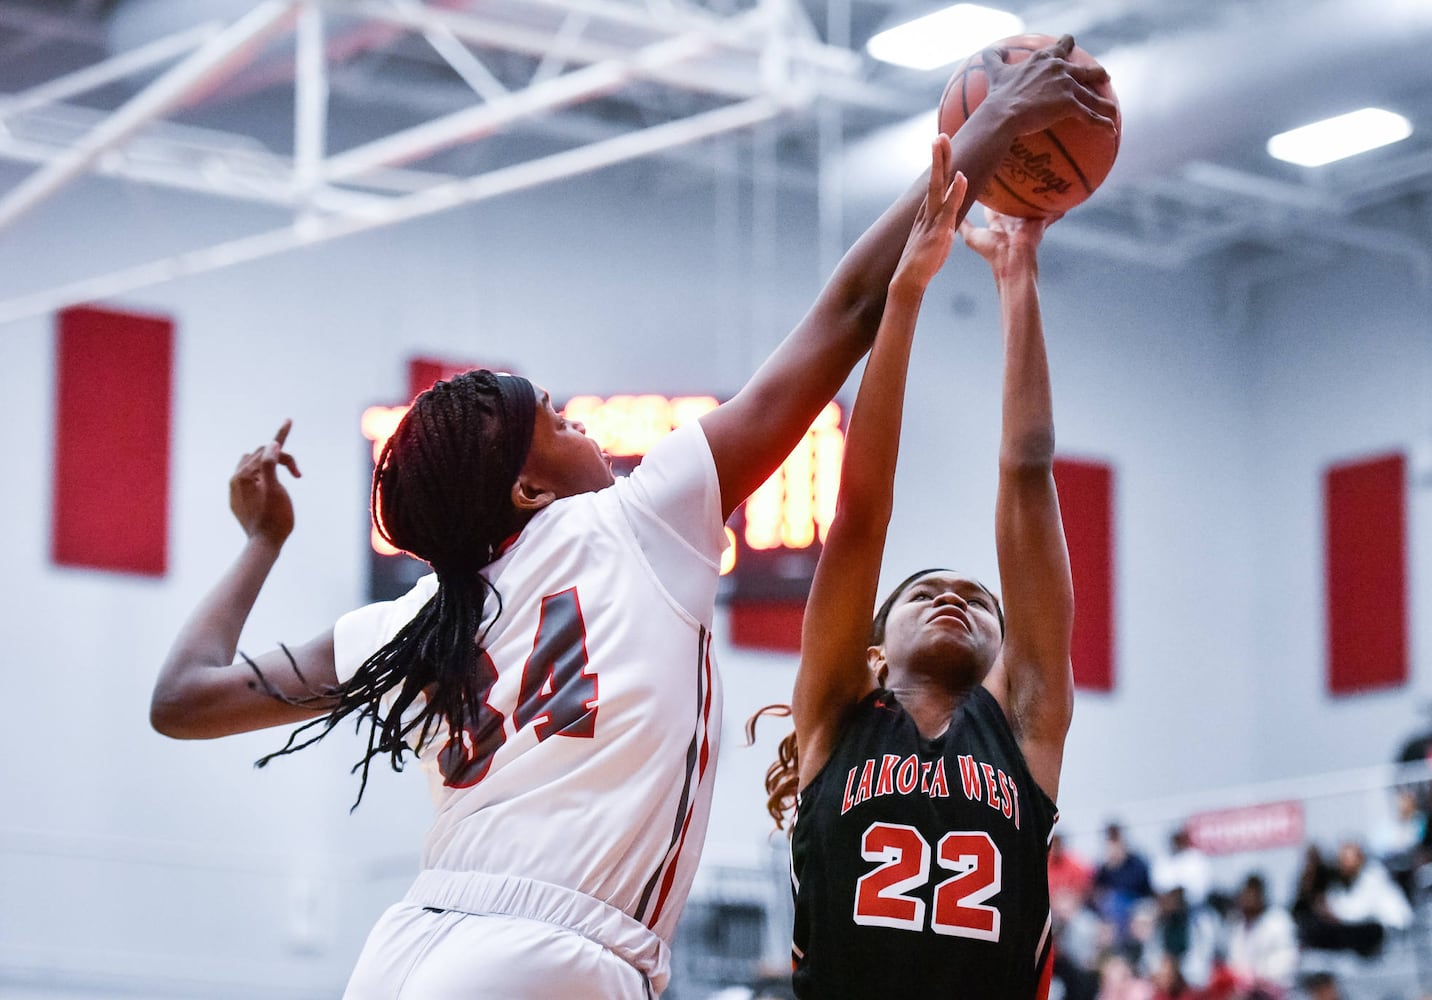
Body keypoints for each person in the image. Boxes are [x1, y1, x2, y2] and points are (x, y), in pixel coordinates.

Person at [149, 38, 1115, 1000]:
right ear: (527, 491)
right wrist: (991, 129)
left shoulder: (415, 622)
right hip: (548, 954)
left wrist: (264, 545)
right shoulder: (636, 520)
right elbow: (850, 309)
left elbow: (183, 698)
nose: (575, 417)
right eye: (554, 420)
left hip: (407, 944)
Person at [749, 108, 1094, 995]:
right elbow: (861, 515)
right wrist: (903, 295)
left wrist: (1019, 281)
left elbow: (1027, 471)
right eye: (925, 592)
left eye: (979, 599)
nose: (956, 597)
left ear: (999, 654)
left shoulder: (1025, 723)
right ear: (873, 647)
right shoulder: (834, 716)